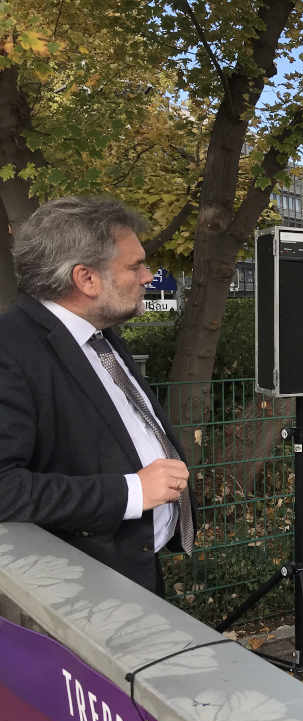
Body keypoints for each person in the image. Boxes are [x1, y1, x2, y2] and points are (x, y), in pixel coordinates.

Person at [0, 196, 194, 594]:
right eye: (135, 265)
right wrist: (132, 491)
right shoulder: (11, 350)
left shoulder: (100, 335)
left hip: (135, 572)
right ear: (86, 279)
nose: (147, 276)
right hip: (80, 597)